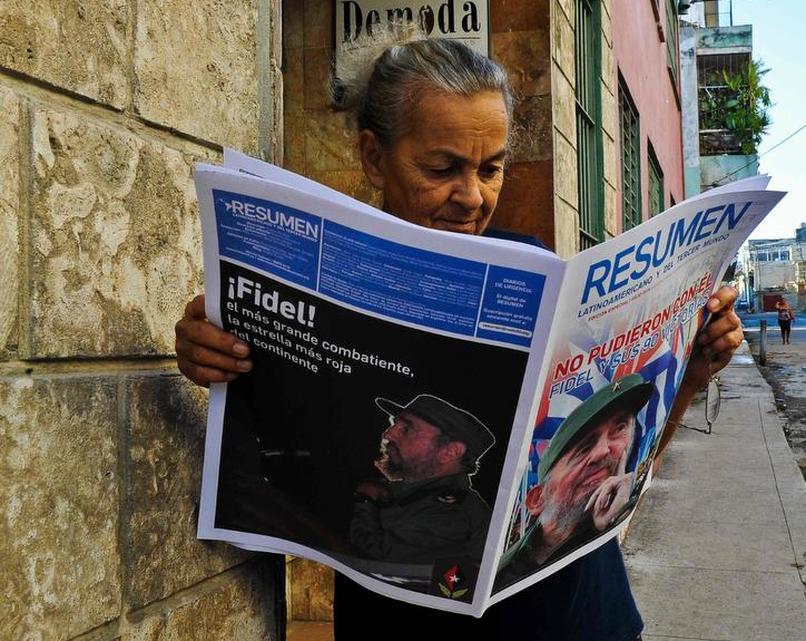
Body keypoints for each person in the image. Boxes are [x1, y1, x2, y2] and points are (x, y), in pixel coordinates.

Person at [174, 25, 744, 641]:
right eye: (442, 167)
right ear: (373, 157)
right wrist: (215, 352)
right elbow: (277, 459)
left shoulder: (534, 271)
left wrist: (690, 377)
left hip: (579, 619)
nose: (471, 197)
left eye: (492, 169)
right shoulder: (309, 281)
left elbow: (628, 468)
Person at [496, 374, 653, 588]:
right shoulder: (501, 575)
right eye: (584, 448)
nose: (602, 452)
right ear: (537, 499)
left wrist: (690, 381)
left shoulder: (621, 504)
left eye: (619, 428)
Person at [349, 394, 494, 572]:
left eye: (406, 429)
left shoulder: (455, 515)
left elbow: (377, 561)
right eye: (394, 423)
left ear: (449, 452)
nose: (388, 434)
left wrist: (366, 501)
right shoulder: (407, 491)